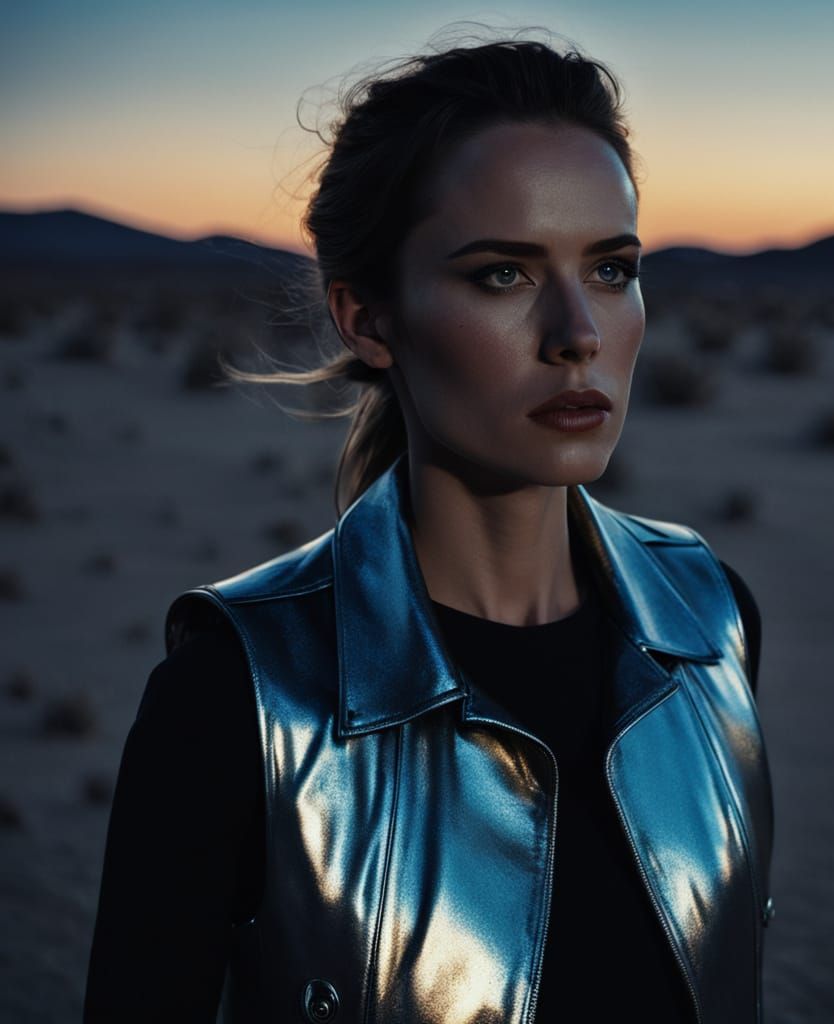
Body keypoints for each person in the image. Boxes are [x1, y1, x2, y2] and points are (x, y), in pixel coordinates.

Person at [84, 30, 774, 1024]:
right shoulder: (236, 699)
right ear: (367, 318)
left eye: (612, 268)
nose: (578, 334)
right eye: (503, 274)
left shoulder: (711, 621)